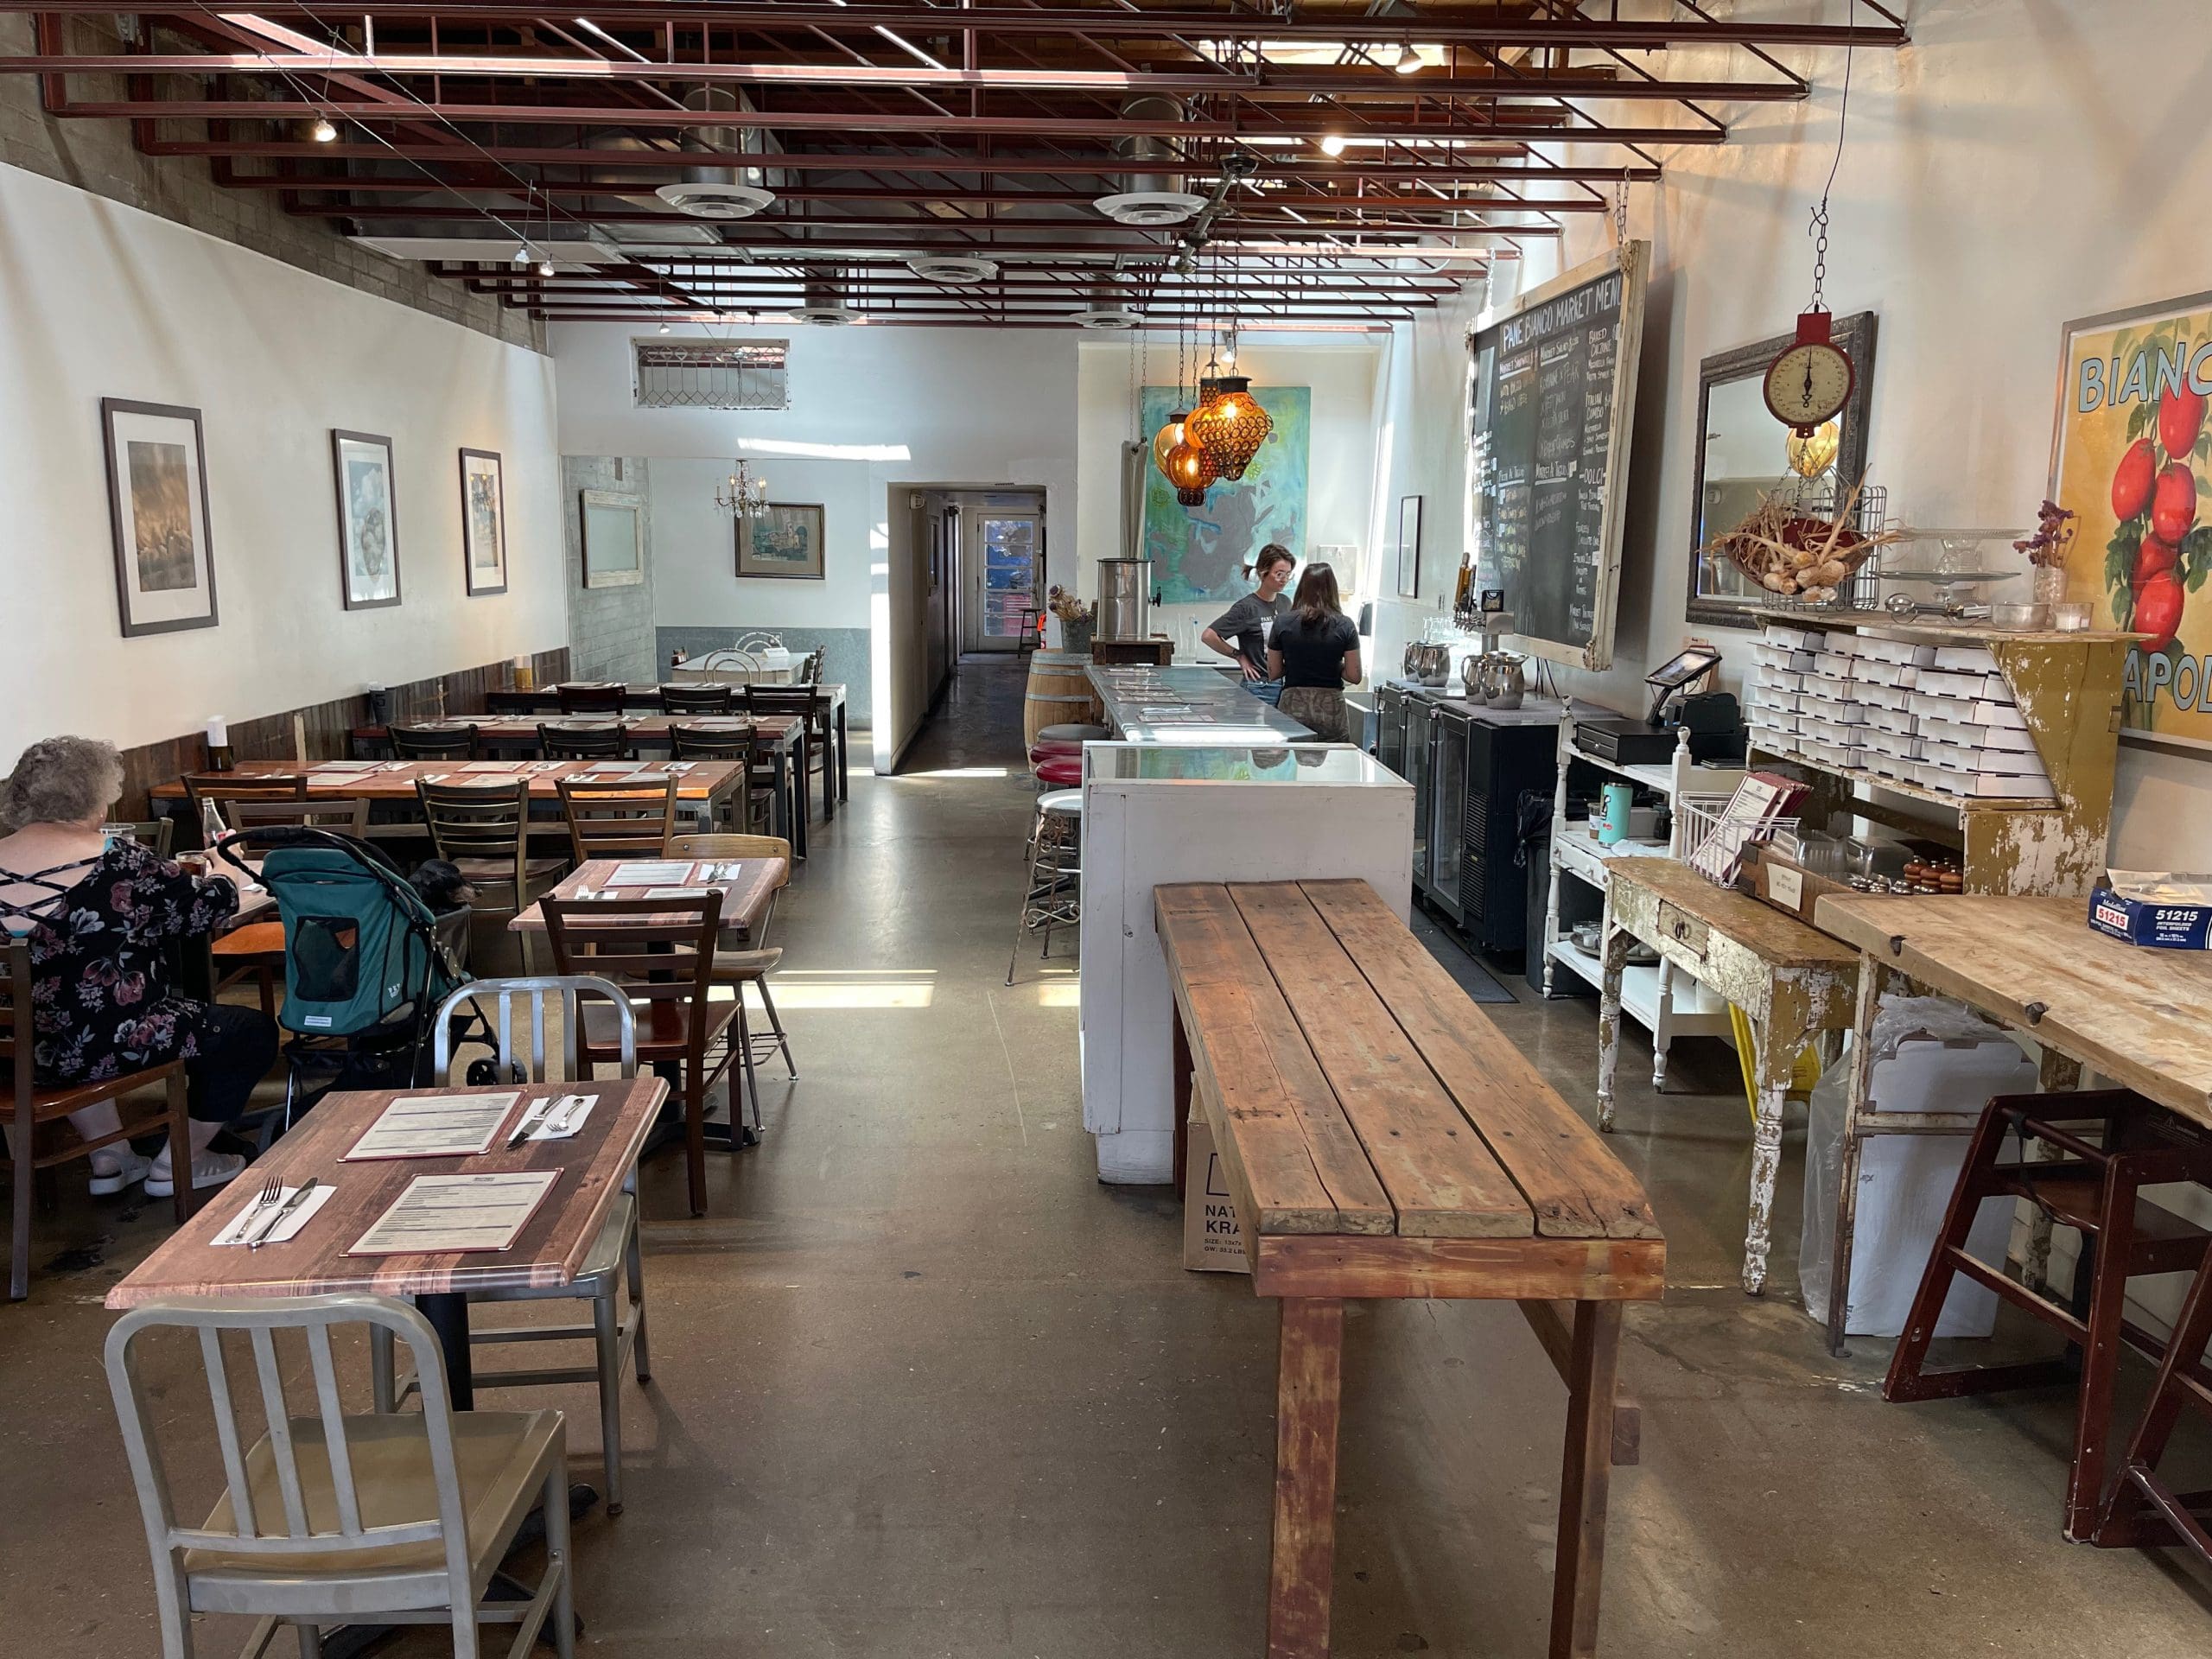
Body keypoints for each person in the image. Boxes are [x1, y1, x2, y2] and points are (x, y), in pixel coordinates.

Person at [0, 735, 276, 1197]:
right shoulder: (121, 863)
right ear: (97, 798)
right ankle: (181, 1161)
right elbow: (206, 910)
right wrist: (225, 870)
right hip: (111, 1041)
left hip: (15, 1052)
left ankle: (111, 1158)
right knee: (248, 1033)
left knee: (66, 1023)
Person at [1266, 563, 1363, 742]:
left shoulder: (1282, 622)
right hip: (1330, 705)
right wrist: (1333, 665)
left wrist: (1296, 664)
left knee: (1292, 756)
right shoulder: (1345, 625)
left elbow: (1274, 672)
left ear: (1302, 588)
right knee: (1334, 757)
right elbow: (1354, 675)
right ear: (1332, 589)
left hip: (1293, 702)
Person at [1200, 543, 1295, 704]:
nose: (1284, 580)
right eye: (1279, 574)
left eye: (1288, 574)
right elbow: (1209, 636)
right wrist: (1239, 656)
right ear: (1263, 572)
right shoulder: (1246, 607)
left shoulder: (1285, 602)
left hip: (1284, 685)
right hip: (1259, 687)